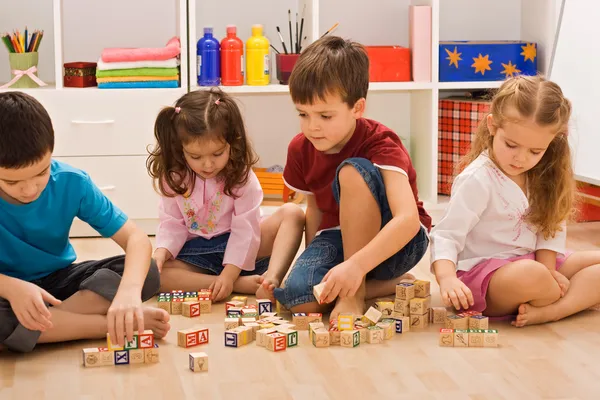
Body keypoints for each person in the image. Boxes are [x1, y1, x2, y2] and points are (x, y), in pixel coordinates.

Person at [272, 36, 432, 322]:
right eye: (303, 114)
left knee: (351, 171)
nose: (312, 126)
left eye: (325, 115)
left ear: (357, 108)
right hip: (337, 237)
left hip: (397, 243)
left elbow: (407, 220)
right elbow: (316, 209)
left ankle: (354, 292)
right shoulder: (300, 148)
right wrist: (313, 261)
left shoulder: (381, 143)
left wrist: (356, 266)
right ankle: (383, 287)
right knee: (299, 298)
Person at [0, 92, 168, 353]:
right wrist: (11, 288)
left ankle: (38, 328)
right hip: (5, 290)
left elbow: (136, 240)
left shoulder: (72, 182)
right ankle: (109, 325)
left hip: (58, 282)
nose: (30, 189)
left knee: (146, 271)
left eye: (42, 172)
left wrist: (128, 294)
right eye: (12, 182)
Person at [430, 75, 600, 327]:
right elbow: (446, 235)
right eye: (511, 145)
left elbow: (550, 229)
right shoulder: (478, 179)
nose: (520, 159)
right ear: (492, 126)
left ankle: (552, 309)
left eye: (535, 151)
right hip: (487, 275)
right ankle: (566, 297)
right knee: (532, 275)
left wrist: (550, 270)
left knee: (549, 270)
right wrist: (447, 279)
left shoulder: (545, 175)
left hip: (533, 263)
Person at [148, 88, 305, 302]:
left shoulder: (241, 177)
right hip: (198, 255)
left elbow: (245, 229)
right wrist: (161, 252)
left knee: (293, 213)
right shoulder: (174, 176)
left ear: (233, 143)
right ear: (180, 149)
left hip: (244, 250)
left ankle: (271, 279)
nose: (208, 164)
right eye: (195, 156)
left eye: (217, 153)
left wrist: (230, 272)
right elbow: (172, 223)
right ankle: (240, 285)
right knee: (156, 274)